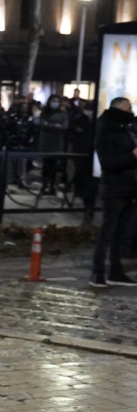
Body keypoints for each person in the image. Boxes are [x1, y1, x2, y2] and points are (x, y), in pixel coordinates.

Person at [90, 97, 137, 288]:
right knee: (108, 232)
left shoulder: (124, 128)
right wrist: (132, 156)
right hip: (114, 187)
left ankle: (115, 272)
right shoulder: (107, 131)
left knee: (120, 232)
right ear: (118, 110)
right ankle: (97, 273)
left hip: (129, 187)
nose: (131, 111)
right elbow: (108, 162)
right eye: (128, 108)